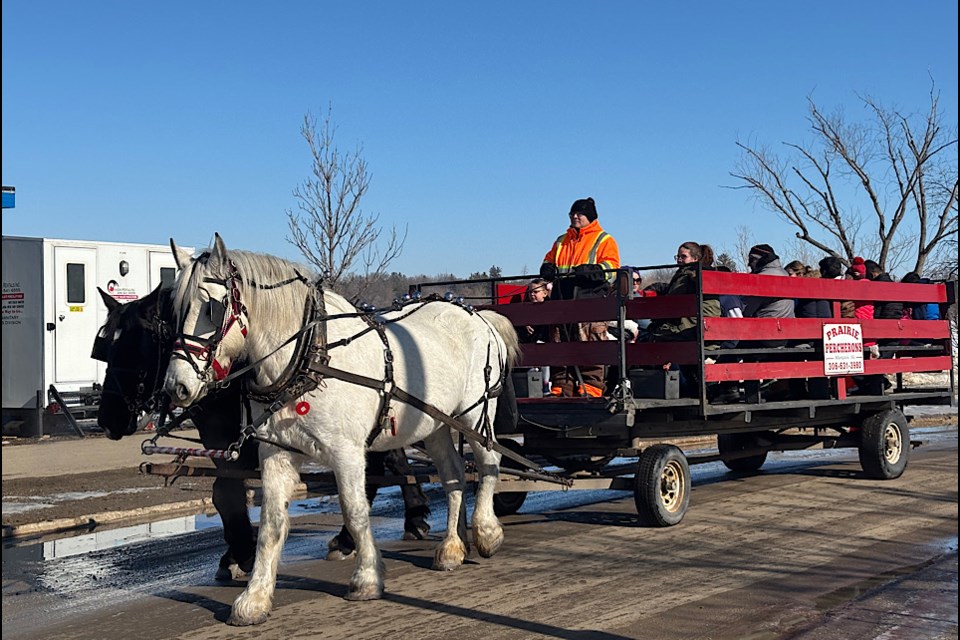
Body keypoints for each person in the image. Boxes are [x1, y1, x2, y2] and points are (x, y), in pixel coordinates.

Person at [538, 197, 621, 397]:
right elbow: (548, 260)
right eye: (572, 214)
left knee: (590, 344)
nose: (575, 217)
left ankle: (591, 387)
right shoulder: (561, 241)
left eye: (579, 214)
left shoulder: (604, 239)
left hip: (589, 300)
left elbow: (612, 269)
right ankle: (561, 387)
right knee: (559, 343)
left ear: (590, 216)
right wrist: (547, 268)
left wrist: (593, 271)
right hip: (562, 299)